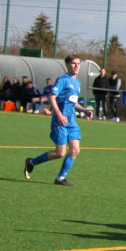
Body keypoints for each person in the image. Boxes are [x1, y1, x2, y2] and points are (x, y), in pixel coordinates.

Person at [24, 55, 94, 186]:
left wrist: (84, 110)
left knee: (75, 150)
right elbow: (52, 97)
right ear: (67, 65)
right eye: (73, 63)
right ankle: (31, 162)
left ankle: (60, 178)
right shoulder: (63, 80)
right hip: (60, 121)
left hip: (72, 122)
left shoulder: (77, 83)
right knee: (60, 153)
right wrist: (59, 114)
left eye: (78, 63)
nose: (76, 66)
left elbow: (72, 102)